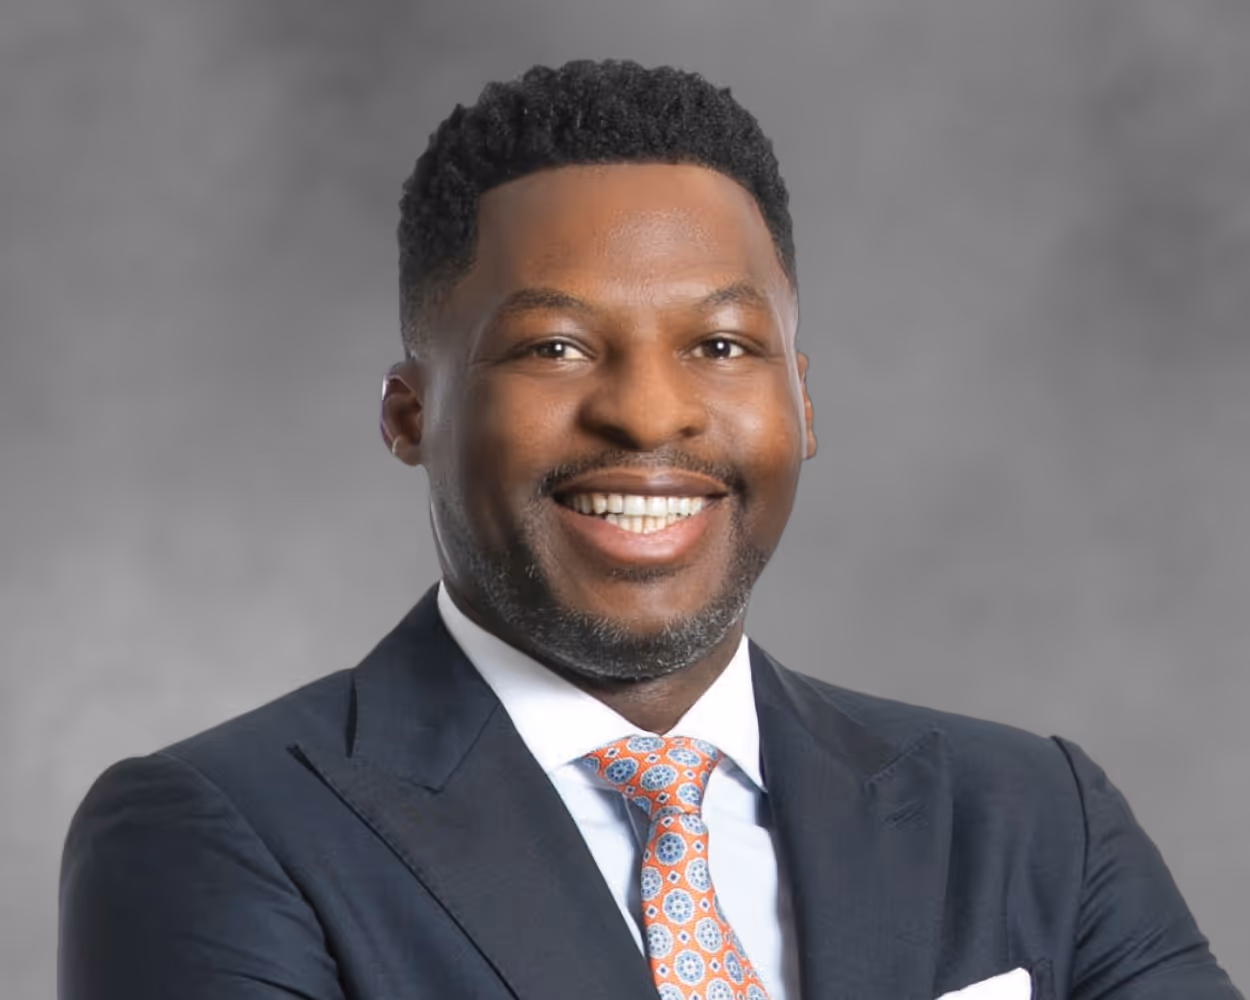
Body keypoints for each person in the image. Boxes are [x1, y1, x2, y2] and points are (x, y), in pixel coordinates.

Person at [59, 59, 1241, 1000]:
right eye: (553, 347)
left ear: (802, 403)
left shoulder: (1033, 817)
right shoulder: (219, 836)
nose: (648, 410)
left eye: (720, 346)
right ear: (411, 413)